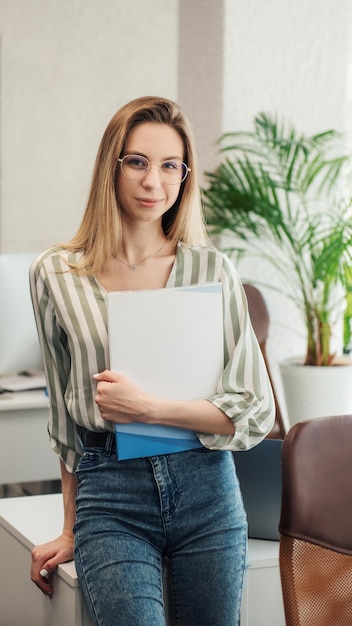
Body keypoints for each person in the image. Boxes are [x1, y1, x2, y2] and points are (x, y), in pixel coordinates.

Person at [29, 95, 275, 626]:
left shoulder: (213, 269)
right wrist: (70, 528)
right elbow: (64, 424)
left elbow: (254, 410)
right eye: (138, 162)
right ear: (111, 167)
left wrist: (148, 409)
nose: (153, 183)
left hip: (208, 488)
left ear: (185, 177)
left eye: (170, 166)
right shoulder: (55, 273)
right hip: (110, 494)